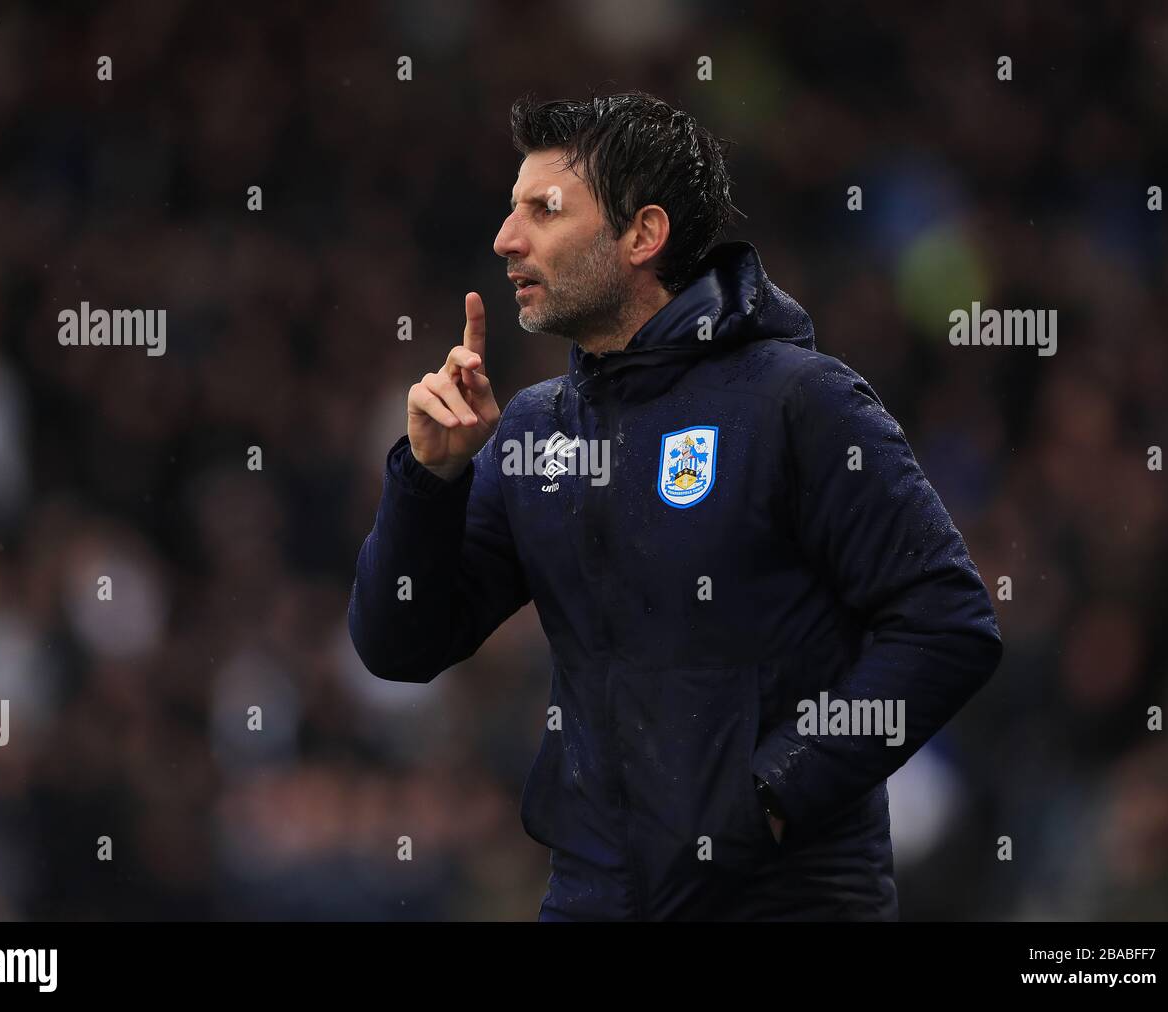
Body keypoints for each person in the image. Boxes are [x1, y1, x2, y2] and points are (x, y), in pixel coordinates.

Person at [348, 92, 1003, 920]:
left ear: (643, 235)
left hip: (783, 903)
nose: (505, 238)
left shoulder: (800, 402)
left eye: (543, 209)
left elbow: (948, 625)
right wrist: (427, 482)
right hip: (592, 897)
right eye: (511, 210)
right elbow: (399, 647)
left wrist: (773, 792)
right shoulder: (534, 428)